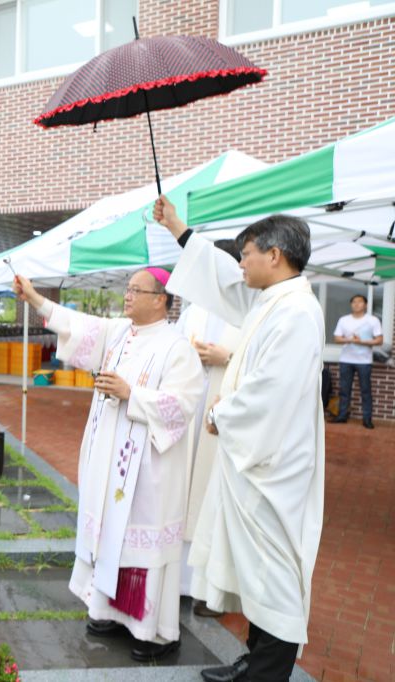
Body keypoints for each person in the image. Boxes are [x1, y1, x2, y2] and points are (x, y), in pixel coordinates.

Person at [154, 195, 325, 682]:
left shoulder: (295, 312)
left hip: (274, 466)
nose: (241, 263)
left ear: (275, 254)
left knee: (273, 571)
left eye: (247, 254)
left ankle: (267, 673)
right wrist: (178, 229)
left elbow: (271, 389)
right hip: (257, 461)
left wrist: (220, 414)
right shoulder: (273, 300)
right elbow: (223, 279)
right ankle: (256, 660)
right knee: (257, 571)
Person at [14, 268, 203, 662]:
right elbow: (75, 323)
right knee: (109, 536)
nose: (127, 295)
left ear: (161, 300)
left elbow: (183, 405)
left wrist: (131, 393)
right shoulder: (119, 333)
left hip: (147, 467)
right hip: (109, 458)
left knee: (138, 544)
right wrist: (34, 298)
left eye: (137, 290)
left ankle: (153, 632)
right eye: (127, 288)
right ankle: (108, 612)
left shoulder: (176, 348)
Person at [175, 239, 242, 617]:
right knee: (184, 493)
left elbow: (263, 363)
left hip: (223, 418)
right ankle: (181, 583)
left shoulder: (248, 311)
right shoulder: (194, 310)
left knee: (214, 499)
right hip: (191, 412)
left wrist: (226, 357)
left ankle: (212, 592)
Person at [333, 294, 382, 428]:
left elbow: (379, 340)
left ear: (365, 305)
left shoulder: (372, 320)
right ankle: (342, 416)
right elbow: (337, 338)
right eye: (354, 302)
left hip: (364, 361)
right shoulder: (344, 320)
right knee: (344, 390)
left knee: (365, 390)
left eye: (360, 302)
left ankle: (367, 419)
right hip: (346, 360)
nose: (356, 304)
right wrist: (350, 340)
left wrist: (362, 342)